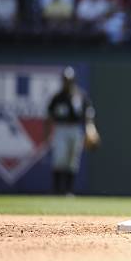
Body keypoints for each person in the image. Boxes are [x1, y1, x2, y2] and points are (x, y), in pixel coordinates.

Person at [46, 66, 99, 195]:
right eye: (65, 79)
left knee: (72, 160)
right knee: (59, 158)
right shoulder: (57, 97)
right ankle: (56, 190)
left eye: (69, 79)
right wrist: (47, 134)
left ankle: (68, 190)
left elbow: (89, 113)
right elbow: (49, 116)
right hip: (61, 129)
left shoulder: (80, 95)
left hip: (75, 129)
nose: (67, 82)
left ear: (73, 80)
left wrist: (90, 129)